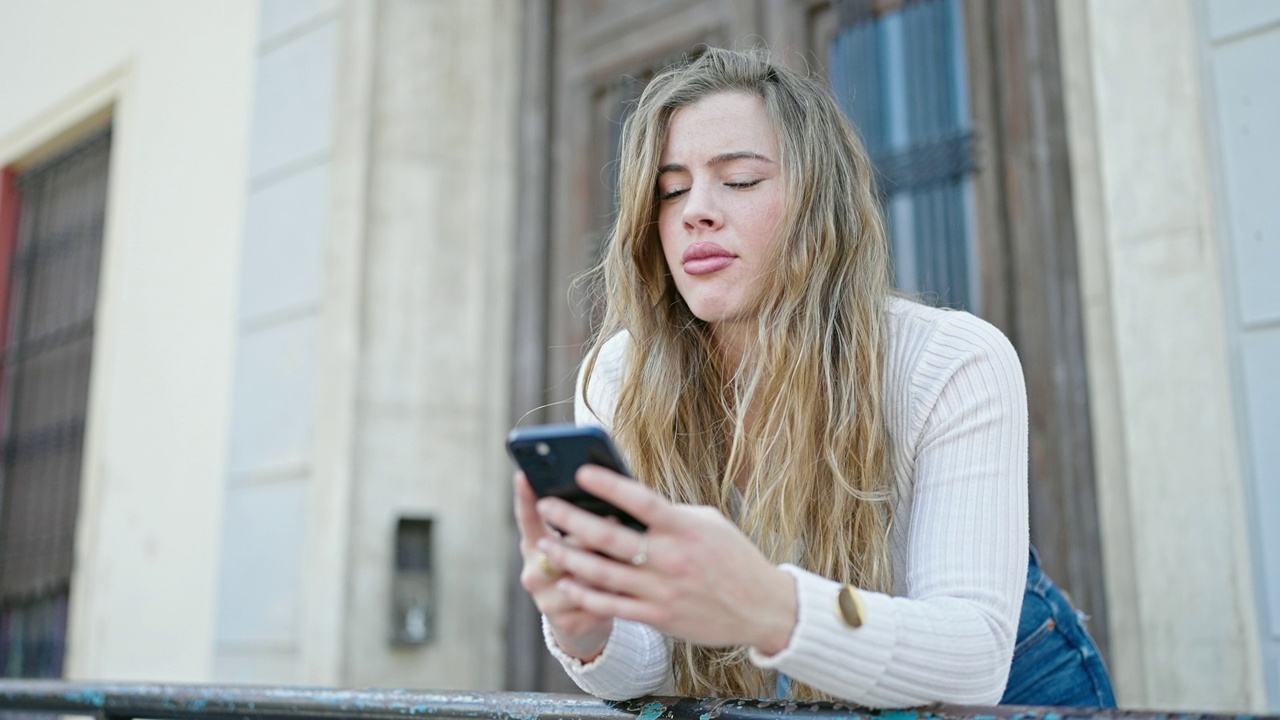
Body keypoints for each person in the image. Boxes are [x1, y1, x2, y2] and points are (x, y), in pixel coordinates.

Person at [513, 47, 1113, 707]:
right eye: (671, 189)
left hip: (1019, 693)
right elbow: (648, 671)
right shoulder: (619, 376)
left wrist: (767, 605)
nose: (696, 212)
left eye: (739, 180)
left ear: (817, 204)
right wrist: (589, 626)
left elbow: (971, 660)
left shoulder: (950, 362)